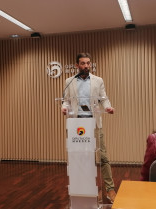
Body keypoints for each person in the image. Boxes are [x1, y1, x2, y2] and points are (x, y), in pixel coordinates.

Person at [61, 53, 116, 203]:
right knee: (80, 158)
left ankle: (110, 190)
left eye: (88, 63)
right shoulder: (69, 81)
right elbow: (65, 101)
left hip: (94, 124)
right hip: (76, 125)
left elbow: (104, 98)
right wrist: (64, 108)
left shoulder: (98, 81)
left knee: (103, 157)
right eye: (83, 63)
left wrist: (108, 107)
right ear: (76, 65)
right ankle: (85, 189)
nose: (86, 66)